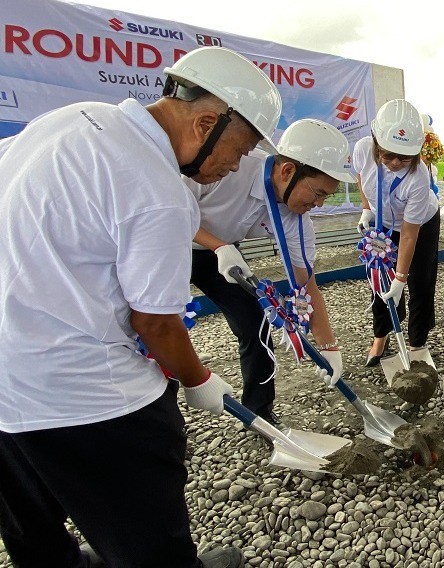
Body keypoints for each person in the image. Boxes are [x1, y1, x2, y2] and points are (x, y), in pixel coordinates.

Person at [0, 47, 283, 566]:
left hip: (7, 389)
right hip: (85, 395)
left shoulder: (68, 121)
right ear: (204, 124)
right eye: (238, 151)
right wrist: (198, 380)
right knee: (148, 538)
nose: (232, 167)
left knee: (33, 534)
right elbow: (153, 320)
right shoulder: (158, 188)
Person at [185, 119, 355, 421]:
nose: (318, 204)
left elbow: (306, 284)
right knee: (162, 322)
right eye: (316, 193)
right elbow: (170, 211)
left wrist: (329, 346)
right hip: (173, 239)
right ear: (288, 171)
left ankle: (259, 415)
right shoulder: (228, 164)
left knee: (256, 322)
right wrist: (218, 246)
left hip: (221, 252)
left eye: (325, 197)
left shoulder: (296, 217)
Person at [353, 99, 440, 366]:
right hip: (382, 222)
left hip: (420, 225)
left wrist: (401, 278)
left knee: (419, 282)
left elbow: (410, 234)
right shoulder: (362, 150)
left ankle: (416, 344)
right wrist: (367, 208)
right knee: (379, 278)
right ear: (376, 142)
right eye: (387, 154)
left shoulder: (419, 176)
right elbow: (360, 177)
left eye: (403, 157)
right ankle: (381, 334)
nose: (393, 162)